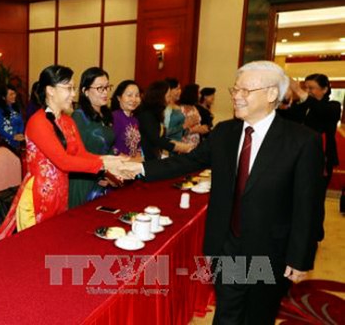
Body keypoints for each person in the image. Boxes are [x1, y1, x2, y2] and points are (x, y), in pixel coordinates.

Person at [121, 61, 324, 324]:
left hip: (271, 250)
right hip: (227, 245)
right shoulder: (225, 132)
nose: (236, 96)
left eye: (245, 91)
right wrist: (137, 169)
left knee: (257, 317)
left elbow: (307, 204)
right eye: (235, 90)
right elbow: (187, 162)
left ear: (272, 94)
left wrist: (300, 257)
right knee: (227, 313)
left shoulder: (301, 140)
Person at [0, 65, 125, 240]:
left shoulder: (67, 121)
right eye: (68, 88)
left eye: (74, 88)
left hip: (61, 194)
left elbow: (81, 154)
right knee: (36, 249)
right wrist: (104, 164)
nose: (74, 94)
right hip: (38, 198)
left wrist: (111, 161)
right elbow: (63, 161)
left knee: (56, 242)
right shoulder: (37, 122)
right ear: (50, 90)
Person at [69, 67, 116, 209]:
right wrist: (102, 173)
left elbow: (108, 149)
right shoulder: (79, 117)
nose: (106, 92)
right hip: (84, 181)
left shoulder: (106, 115)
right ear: (85, 91)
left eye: (107, 87)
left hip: (104, 178)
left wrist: (111, 174)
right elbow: (75, 154)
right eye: (100, 88)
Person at [136, 81, 192, 160]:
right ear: (159, 96)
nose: (169, 100)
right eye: (168, 96)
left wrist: (179, 145)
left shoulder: (156, 113)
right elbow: (155, 139)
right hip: (145, 157)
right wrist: (178, 147)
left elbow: (161, 136)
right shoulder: (147, 114)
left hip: (154, 155)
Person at [111, 79, 142, 159]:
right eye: (129, 95)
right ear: (119, 97)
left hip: (133, 165)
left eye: (137, 95)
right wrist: (125, 158)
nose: (134, 99)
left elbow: (137, 145)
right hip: (118, 164)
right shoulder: (114, 117)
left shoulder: (135, 120)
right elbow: (109, 145)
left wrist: (138, 156)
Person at [0, 84, 25, 149]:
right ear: (4, 97)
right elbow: (0, 128)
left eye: (14, 93)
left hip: (17, 142)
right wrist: (13, 137)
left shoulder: (17, 108)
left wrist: (20, 134)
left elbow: (21, 123)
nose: (14, 96)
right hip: (5, 143)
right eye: (11, 94)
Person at [179, 83, 209, 149]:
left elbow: (198, 124)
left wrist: (202, 128)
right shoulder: (180, 109)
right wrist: (194, 130)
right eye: (198, 93)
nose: (200, 95)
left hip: (195, 143)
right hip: (183, 144)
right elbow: (178, 129)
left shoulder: (195, 108)